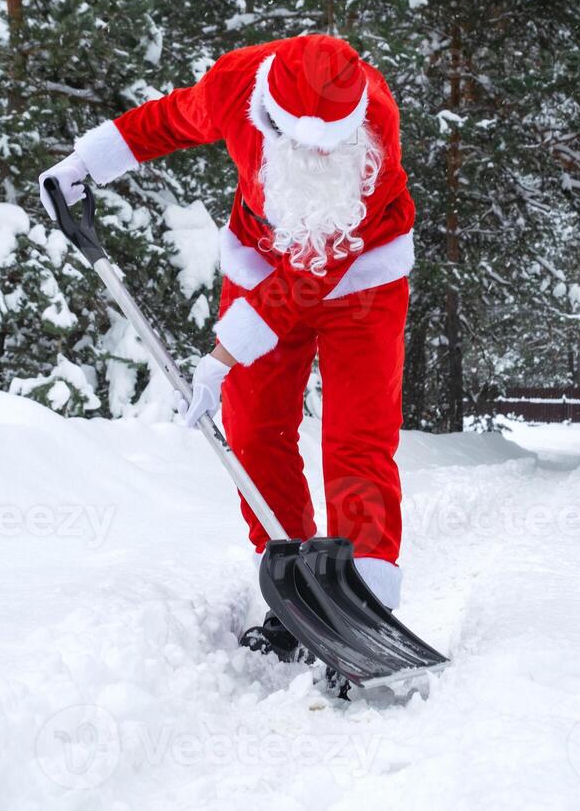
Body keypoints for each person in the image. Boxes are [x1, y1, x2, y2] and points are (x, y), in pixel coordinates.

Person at [38, 34, 413, 659]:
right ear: (271, 118)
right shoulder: (237, 85)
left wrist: (222, 352)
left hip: (364, 275)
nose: (323, 157)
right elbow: (171, 118)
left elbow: (317, 269)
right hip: (263, 264)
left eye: (333, 147)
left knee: (358, 435)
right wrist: (85, 165)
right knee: (254, 427)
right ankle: (296, 592)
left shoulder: (375, 119)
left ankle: (364, 608)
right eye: (308, 147)